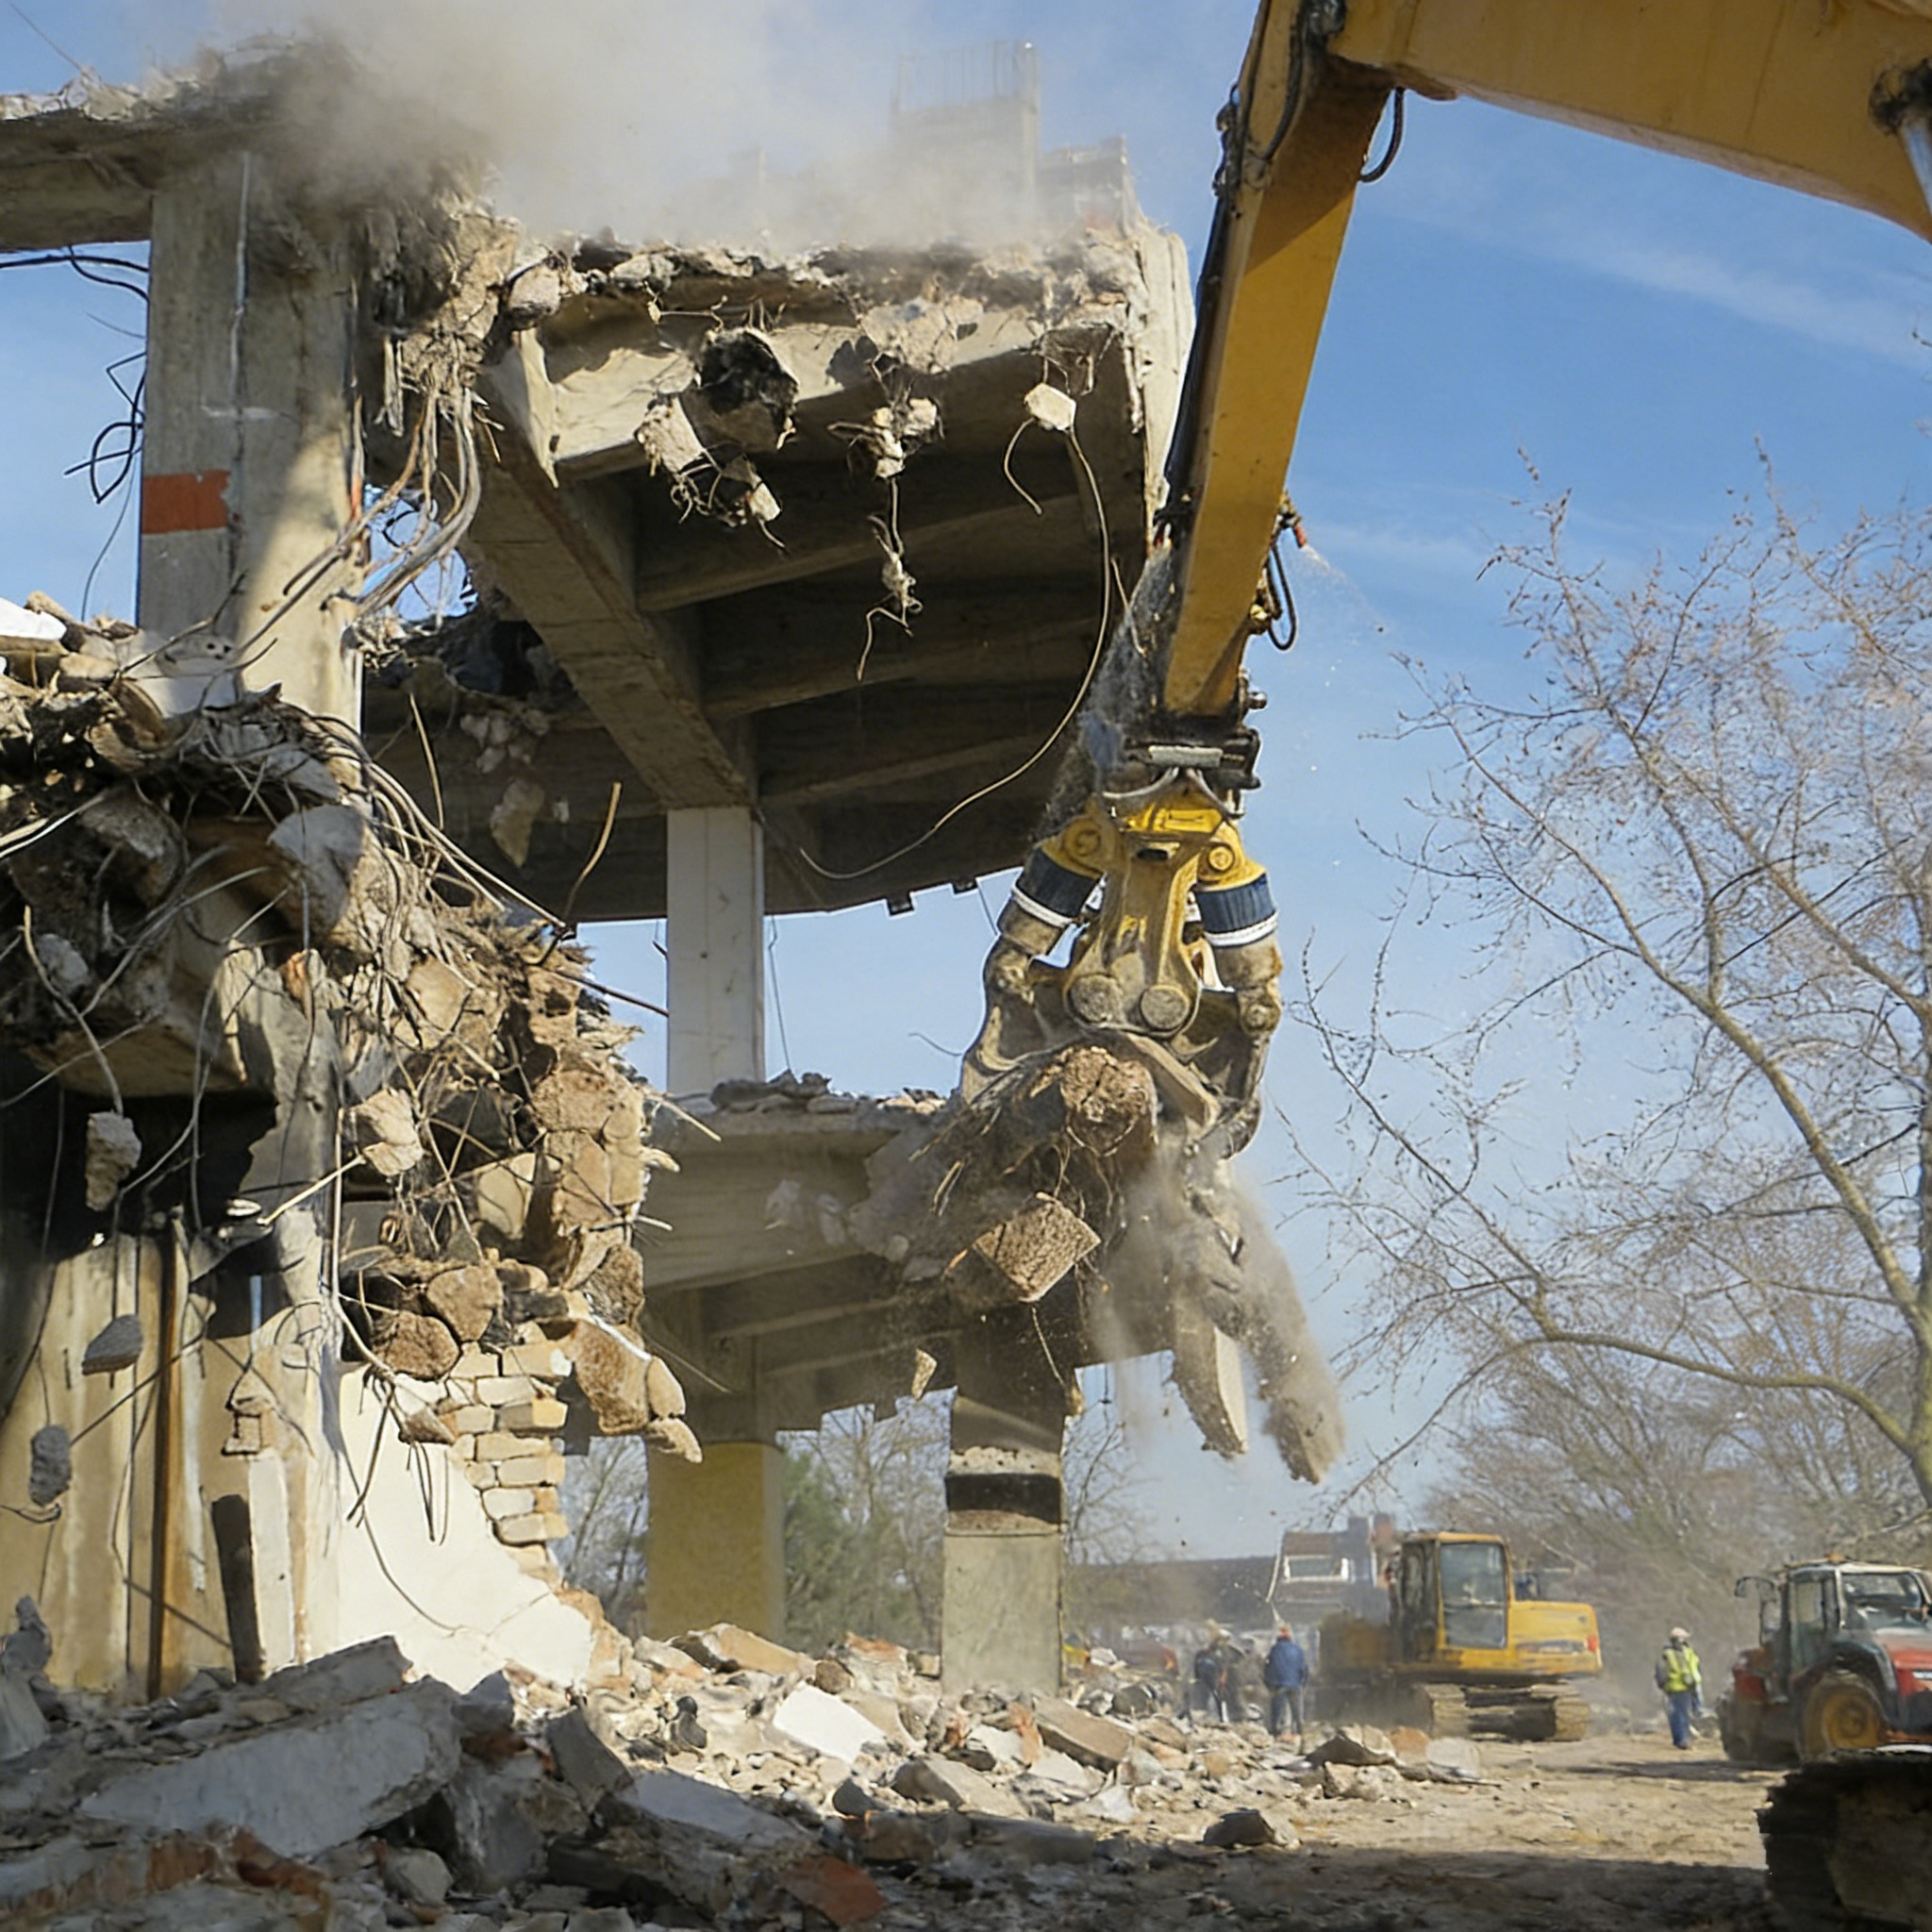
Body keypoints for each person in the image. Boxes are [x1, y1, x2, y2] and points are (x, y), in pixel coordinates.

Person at [1656, 1625, 1703, 1749]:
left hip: (1690, 1687)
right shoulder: (1668, 1654)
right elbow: (1661, 1671)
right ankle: (1681, 1740)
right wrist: (1663, 1684)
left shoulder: (1687, 1652)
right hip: (1676, 1688)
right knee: (1678, 1715)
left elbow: (1693, 1668)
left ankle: (1684, 1738)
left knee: (1684, 1715)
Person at [1264, 1623, 1310, 1743]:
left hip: (1279, 1684)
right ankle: (1300, 1732)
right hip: (1295, 1684)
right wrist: (1302, 1683)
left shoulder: (1274, 1650)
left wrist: (1269, 1684)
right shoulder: (1298, 1650)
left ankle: (1276, 1733)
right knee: (1297, 1711)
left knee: (1278, 1710)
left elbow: (1269, 1668)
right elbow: (1304, 1669)